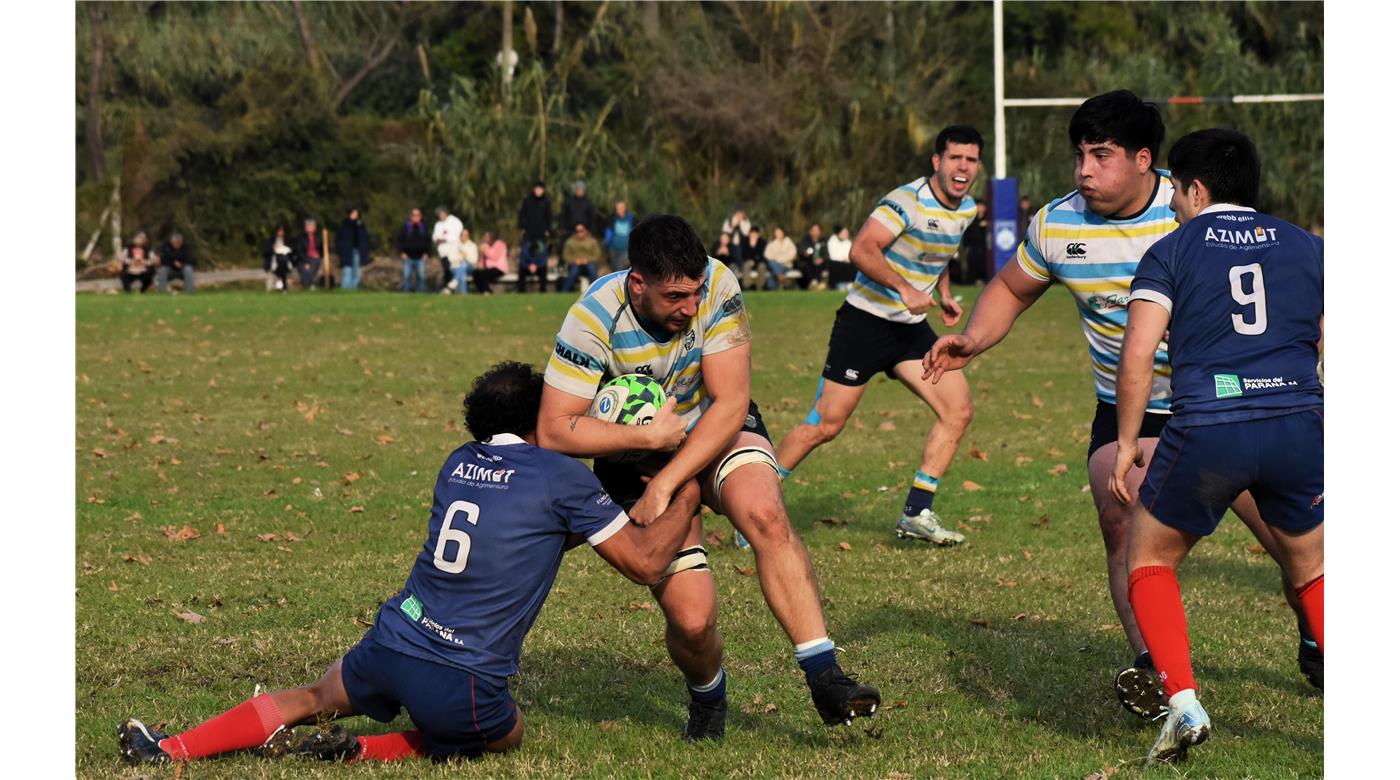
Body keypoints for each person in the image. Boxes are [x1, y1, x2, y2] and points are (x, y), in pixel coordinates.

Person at [922, 91, 1320, 718]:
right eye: (1079, 154)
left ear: (1144, 161)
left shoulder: (1192, 209)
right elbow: (1010, 287)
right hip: (1124, 409)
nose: (1084, 170)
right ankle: (1155, 672)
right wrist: (973, 338)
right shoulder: (1057, 223)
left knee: (1290, 541)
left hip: (1221, 403)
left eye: (1100, 155)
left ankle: (1314, 635)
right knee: (1120, 514)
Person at [118, 362, 703, 766]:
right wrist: (687, 491)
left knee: (314, 695)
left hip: (393, 639)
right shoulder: (561, 478)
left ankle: (171, 750)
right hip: (462, 676)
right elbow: (647, 564)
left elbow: (520, 534)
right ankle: (366, 752)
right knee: (509, 734)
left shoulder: (456, 462)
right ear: (540, 418)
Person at [537, 214, 881, 742]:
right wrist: (649, 444)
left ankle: (825, 676)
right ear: (637, 284)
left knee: (764, 511)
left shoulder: (716, 282)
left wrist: (668, 482)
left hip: (712, 426)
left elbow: (731, 400)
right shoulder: (591, 319)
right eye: (675, 297)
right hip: (635, 455)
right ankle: (708, 696)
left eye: (694, 293)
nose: (690, 308)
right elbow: (556, 429)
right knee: (694, 622)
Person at [1107, 129, 1323, 764]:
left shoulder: (1171, 250)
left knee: (1148, 559)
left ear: (1197, 189)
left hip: (1210, 427)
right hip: (1297, 422)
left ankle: (1183, 704)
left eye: (1176, 189)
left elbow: (1139, 354)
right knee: (1313, 569)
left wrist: (1125, 445)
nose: (1172, 201)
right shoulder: (1309, 247)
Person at [775, 125, 984, 546]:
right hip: (865, 324)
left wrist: (942, 294)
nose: (963, 167)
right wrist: (905, 288)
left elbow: (939, 252)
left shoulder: (966, 210)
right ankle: (755, 504)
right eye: (956, 158)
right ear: (937, 162)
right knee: (825, 425)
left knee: (957, 410)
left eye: (972, 159)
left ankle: (916, 513)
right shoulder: (906, 201)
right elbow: (862, 248)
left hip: (909, 331)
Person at [517, 181, 552, 293]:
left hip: (541, 235)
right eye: (537, 188)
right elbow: (522, 215)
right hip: (529, 234)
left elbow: (549, 217)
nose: (538, 191)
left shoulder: (546, 202)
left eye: (540, 189)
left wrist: (548, 229)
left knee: (542, 256)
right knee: (525, 255)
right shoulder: (527, 201)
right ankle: (521, 290)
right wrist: (522, 228)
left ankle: (543, 289)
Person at [397, 208, 432, 293]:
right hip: (408, 256)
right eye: (414, 215)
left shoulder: (424, 227)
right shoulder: (405, 227)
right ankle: (406, 293)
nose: (416, 217)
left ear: (420, 216)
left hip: (421, 257)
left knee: (421, 276)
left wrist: (427, 253)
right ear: (411, 216)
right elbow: (399, 240)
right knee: (406, 276)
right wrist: (402, 252)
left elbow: (428, 241)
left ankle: (420, 293)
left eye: (418, 215)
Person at [560, 223, 602, 293]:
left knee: (591, 268)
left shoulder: (592, 241)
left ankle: (597, 292)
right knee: (574, 271)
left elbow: (597, 255)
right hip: (575, 264)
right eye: (577, 231)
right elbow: (566, 255)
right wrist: (575, 261)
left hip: (589, 264)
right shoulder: (570, 242)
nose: (579, 233)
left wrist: (587, 260)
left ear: (585, 231)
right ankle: (564, 292)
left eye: (581, 231)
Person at [335, 208, 371, 291]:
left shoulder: (361, 225)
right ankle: (345, 289)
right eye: (353, 213)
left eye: (356, 214)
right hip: (346, 251)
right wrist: (340, 249)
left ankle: (354, 288)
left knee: (357, 272)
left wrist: (365, 249)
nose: (355, 215)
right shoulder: (344, 225)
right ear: (349, 214)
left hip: (358, 251)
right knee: (347, 271)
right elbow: (339, 239)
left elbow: (365, 238)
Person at [433, 206, 465, 292]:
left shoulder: (454, 221)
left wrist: (445, 239)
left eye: (441, 213)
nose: (440, 215)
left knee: (453, 270)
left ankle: (450, 289)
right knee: (446, 270)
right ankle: (448, 289)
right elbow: (435, 236)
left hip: (453, 251)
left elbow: (457, 236)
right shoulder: (438, 224)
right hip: (443, 252)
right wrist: (437, 240)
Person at [958, 200, 989, 284]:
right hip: (972, 245)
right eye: (979, 206)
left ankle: (983, 279)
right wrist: (966, 245)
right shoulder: (972, 219)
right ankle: (971, 280)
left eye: (982, 207)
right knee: (972, 262)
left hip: (983, 245)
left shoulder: (988, 218)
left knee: (982, 262)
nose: (980, 209)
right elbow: (967, 232)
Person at [761, 226, 797, 290]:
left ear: (783, 233)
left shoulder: (788, 242)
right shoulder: (772, 243)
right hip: (774, 263)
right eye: (777, 232)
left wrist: (780, 260)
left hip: (785, 265)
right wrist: (777, 260)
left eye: (779, 232)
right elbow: (767, 254)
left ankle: (772, 287)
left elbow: (792, 254)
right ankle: (780, 277)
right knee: (772, 263)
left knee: (773, 270)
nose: (778, 234)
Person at [443, 227, 478, 295]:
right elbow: (451, 258)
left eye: (466, 235)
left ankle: (454, 281)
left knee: (464, 265)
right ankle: (463, 294)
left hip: (469, 267)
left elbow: (474, 260)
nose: (464, 237)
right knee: (462, 274)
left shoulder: (472, 246)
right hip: (455, 267)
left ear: (468, 236)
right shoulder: (454, 245)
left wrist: (465, 257)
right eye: (463, 235)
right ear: (460, 236)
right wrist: (461, 257)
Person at [602, 200, 635, 272]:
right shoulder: (611, 218)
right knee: (614, 269)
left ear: (624, 208)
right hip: (613, 248)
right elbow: (608, 232)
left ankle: (622, 282)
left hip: (626, 249)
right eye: (617, 208)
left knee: (619, 268)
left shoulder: (631, 218)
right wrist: (606, 243)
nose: (618, 210)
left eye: (620, 208)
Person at [262, 225, 297, 292]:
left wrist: (287, 250)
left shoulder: (288, 240)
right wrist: (273, 249)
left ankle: (281, 285)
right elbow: (265, 253)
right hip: (274, 262)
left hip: (285, 262)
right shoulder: (270, 241)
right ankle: (283, 286)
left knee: (283, 261)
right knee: (281, 262)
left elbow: (293, 251)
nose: (281, 232)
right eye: (279, 231)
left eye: (282, 231)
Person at [473, 230, 508, 295]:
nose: (486, 238)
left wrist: (485, 249)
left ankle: (487, 291)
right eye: (484, 237)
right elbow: (482, 260)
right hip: (488, 269)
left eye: (487, 236)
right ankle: (483, 291)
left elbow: (494, 257)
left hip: (499, 269)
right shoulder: (486, 245)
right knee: (475, 273)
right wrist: (479, 265)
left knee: (483, 273)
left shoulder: (500, 244)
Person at [295, 218, 325, 290]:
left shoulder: (319, 237)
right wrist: (305, 262)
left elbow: (322, 249)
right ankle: (308, 286)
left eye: (312, 226)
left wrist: (320, 255)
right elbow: (299, 251)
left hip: (315, 258)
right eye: (308, 226)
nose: (310, 228)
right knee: (306, 270)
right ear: (305, 227)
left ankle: (308, 286)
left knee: (313, 265)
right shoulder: (300, 237)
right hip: (303, 259)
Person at [796, 223, 827, 290]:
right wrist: (805, 253)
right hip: (807, 261)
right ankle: (813, 283)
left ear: (820, 231)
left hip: (820, 263)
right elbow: (800, 251)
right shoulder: (805, 240)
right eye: (814, 230)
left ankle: (818, 283)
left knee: (820, 264)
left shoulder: (823, 241)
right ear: (810, 231)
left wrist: (822, 259)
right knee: (807, 265)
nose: (815, 232)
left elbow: (826, 254)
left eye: (817, 230)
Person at [825, 224, 856, 290]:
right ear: (839, 233)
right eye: (844, 233)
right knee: (838, 265)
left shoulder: (848, 242)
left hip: (847, 262)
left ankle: (850, 283)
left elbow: (850, 253)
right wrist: (843, 259)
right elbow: (833, 256)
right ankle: (840, 284)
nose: (846, 234)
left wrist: (847, 259)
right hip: (836, 263)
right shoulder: (832, 241)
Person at [738, 226, 766, 291]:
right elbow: (743, 255)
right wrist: (751, 246)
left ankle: (760, 286)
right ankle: (747, 286)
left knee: (762, 266)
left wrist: (755, 261)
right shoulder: (744, 242)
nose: (753, 235)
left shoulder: (762, 242)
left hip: (759, 262)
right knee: (746, 265)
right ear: (749, 234)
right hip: (747, 261)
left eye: (755, 234)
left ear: (758, 235)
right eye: (752, 233)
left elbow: (763, 256)